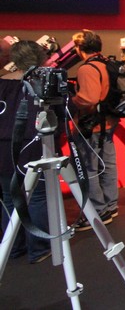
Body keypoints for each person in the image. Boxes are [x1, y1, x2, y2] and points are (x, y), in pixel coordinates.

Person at [0, 41, 51, 264]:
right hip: (34, 145)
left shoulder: (2, 83)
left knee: (9, 197)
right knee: (37, 197)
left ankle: (12, 246)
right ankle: (38, 248)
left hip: (3, 147)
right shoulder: (44, 84)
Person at [71, 30, 119, 227]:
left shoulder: (87, 69)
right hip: (108, 122)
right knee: (108, 164)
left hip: (91, 125)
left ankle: (98, 211)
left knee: (88, 168)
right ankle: (111, 205)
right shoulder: (107, 64)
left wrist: (70, 100)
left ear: (79, 48)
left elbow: (89, 98)